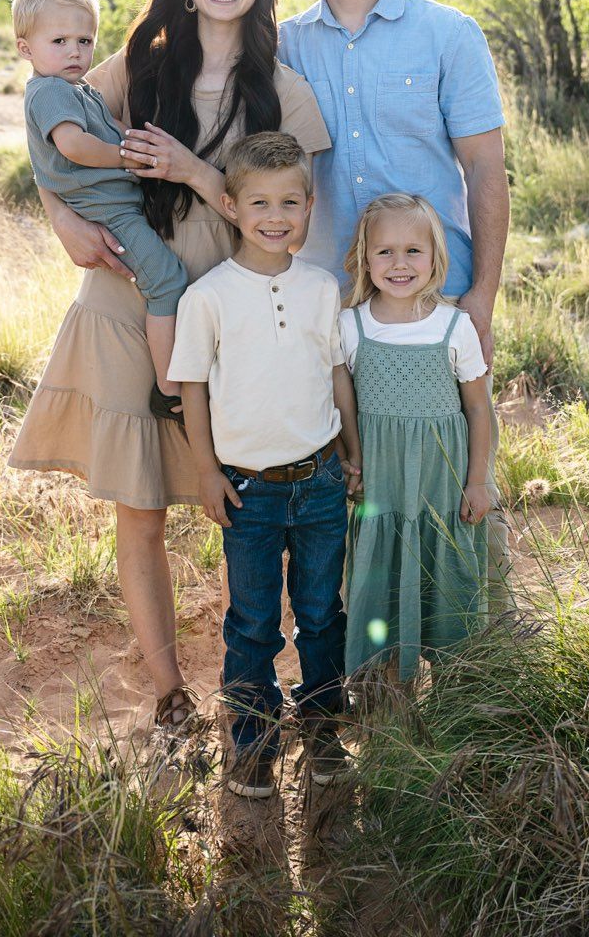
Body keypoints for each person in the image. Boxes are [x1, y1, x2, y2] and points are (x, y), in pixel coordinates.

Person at [7, 0, 331, 736]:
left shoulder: (283, 94)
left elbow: (291, 217)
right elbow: (49, 130)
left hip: (233, 327)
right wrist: (63, 222)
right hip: (126, 307)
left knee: (237, 511)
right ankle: (166, 692)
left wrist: (193, 169)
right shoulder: (131, 68)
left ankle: (245, 689)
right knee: (141, 511)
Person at [277, 0, 513, 611]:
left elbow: (484, 170)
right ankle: (371, 651)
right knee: (349, 465)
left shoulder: (448, 33)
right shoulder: (280, 46)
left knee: (453, 460)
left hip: (432, 292)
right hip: (329, 297)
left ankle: (483, 643)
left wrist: (480, 294)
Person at [170, 132, 362, 799]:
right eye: (259, 202)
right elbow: (191, 386)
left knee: (322, 614)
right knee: (252, 623)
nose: (275, 216)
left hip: (319, 481)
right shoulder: (210, 296)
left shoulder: (320, 288)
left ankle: (324, 730)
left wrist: (351, 449)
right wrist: (205, 472)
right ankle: (251, 743)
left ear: (309, 206)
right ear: (230, 206)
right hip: (248, 488)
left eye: (290, 202)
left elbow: (336, 372)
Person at [13, 0, 186, 410]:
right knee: (167, 281)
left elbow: (111, 129)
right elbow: (73, 145)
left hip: (121, 206)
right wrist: (129, 157)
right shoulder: (50, 91)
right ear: (25, 48)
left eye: (85, 41)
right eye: (59, 41)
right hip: (110, 214)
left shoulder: (79, 90)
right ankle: (170, 390)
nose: (75, 51)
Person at [340, 193, 491, 681]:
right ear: (365, 257)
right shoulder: (351, 325)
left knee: (447, 595)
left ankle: (458, 698)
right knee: (381, 589)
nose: (399, 264)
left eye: (412, 251)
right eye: (384, 251)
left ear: (435, 258)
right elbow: (343, 407)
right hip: (381, 493)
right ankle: (386, 702)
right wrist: (352, 462)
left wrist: (478, 481)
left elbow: (477, 408)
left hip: (441, 494)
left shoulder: (455, 326)